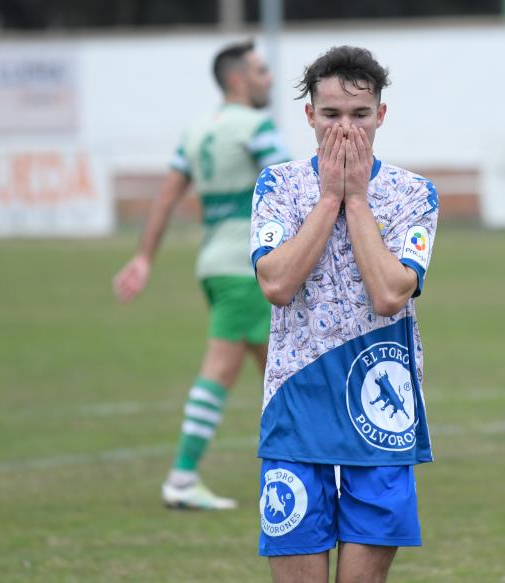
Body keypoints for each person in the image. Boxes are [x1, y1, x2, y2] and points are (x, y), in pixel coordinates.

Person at [249, 46, 439, 582]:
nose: (345, 129)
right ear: (309, 115)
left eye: (359, 115)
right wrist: (328, 196)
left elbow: (389, 294)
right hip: (296, 409)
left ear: (381, 115)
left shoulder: (412, 195)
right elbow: (278, 283)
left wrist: (356, 201)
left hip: (382, 413)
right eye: (331, 115)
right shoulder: (278, 187)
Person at [112, 41, 290, 510]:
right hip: (248, 268)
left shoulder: (195, 132)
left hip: (213, 266)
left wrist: (144, 257)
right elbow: (294, 188)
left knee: (268, 372)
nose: (269, 78)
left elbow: (167, 196)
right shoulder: (256, 128)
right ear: (237, 80)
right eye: (260, 71)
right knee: (280, 375)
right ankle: (186, 477)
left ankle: (194, 477)